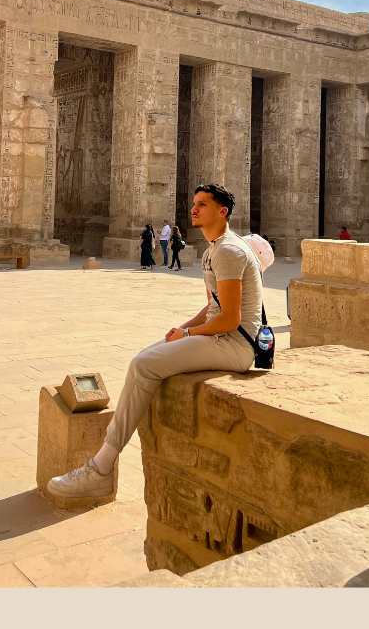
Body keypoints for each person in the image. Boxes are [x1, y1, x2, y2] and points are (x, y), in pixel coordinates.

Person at [48, 184, 265, 501]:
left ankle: (101, 467)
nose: (194, 209)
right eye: (194, 204)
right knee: (144, 357)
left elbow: (230, 319)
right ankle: (103, 459)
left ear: (222, 212)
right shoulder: (214, 250)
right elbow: (214, 306)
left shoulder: (229, 251)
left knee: (144, 365)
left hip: (235, 345)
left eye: (202, 205)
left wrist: (188, 335)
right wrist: (183, 327)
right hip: (221, 336)